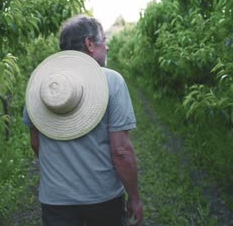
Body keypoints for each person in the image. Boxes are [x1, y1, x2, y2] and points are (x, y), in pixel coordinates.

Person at [23, 15, 143, 226]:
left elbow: (36, 142)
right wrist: (134, 197)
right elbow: (121, 151)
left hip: (55, 200)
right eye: (104, 40)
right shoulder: (111, 81)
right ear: (89, 43)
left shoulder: (41, 84)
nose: (107, 47)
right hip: (102, 197)